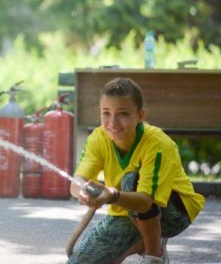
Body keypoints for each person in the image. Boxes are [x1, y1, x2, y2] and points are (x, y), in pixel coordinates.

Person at [67, 77, 205, 264]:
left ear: (140, 116)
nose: (112, 123)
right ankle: (139, 241)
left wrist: (112, 195)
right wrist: (83, 190)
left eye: (122, 114)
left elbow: (145, 202)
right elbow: (76, 182)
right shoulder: (98, 138)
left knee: (130, 180)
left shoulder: (157, 143)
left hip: (174, 212)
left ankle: (154, 255)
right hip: (124, 210)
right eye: (106, 113)